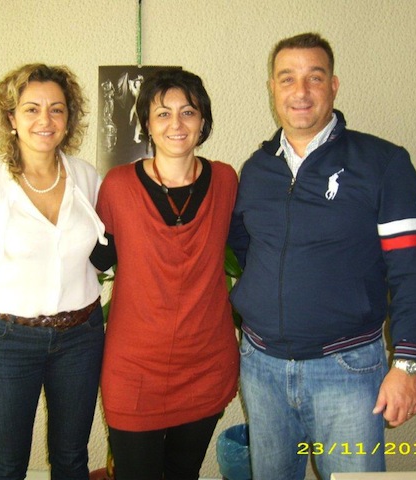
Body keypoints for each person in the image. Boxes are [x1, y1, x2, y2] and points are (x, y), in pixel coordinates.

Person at [229, 33, 416, 480]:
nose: (300, 91)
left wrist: (407, 363)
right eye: (288, 78)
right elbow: (249, 250)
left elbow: (412, 271)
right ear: (272, 88)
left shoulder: (383, 163)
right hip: (261, 369)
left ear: (334, 86)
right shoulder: (257, 169)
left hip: (347, 371)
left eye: (315, 77)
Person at [0, 63, 107, 480]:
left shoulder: (87, 178)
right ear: (11, 118)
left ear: (68, 119)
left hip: (81, 337)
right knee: (6, 464)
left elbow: (102, 254)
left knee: (72, 458)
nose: (45, 120)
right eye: (31, 109)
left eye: (57, 109)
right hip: (9, 340)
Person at [90, 69, 239, 480]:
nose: (176, 124)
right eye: (163, 114)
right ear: (147, 124)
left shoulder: (226, 180)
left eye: (188, 112)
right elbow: (95, 261)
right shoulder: (118, 186)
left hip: (205, 366)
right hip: (135, 371)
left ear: (203, 121)